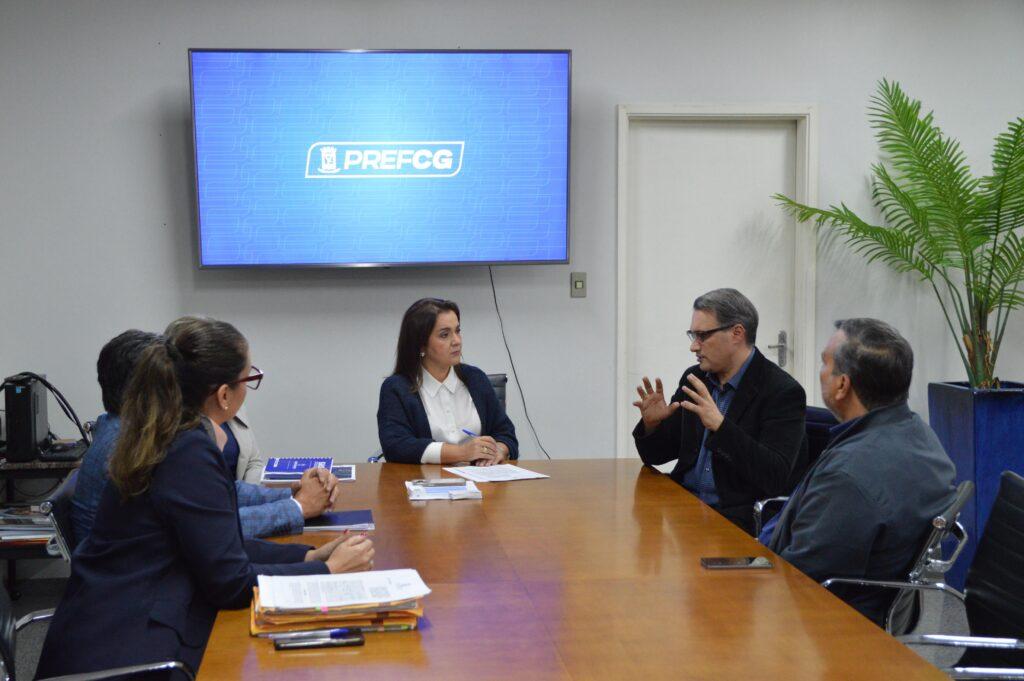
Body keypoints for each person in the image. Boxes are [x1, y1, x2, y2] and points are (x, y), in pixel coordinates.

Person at [37, 318, 374, 678]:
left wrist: (307, 554)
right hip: (132, 651)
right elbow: (230, 582)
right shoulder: (186, 450)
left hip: (116, 622)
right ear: (225, 395)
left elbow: (217, 542)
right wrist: (327, 571)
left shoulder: (168, 433)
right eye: (250, 379)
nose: (250, 389)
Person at [766, 318, 956, 626]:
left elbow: (796, 580)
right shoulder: (919, 432)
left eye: (824, 363)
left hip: (827, 623)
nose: (820, 372)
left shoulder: (848, 478)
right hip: (872, 603)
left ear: (842, 385)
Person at [71, 328, 334, 541]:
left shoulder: (129, 431)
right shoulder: (132, 448)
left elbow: (219, 496)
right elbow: (211, 527)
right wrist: (298, 507)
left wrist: (292, 492)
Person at [632, 288, 807, 533]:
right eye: (692, 335)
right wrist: (653, 426)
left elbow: (774, 476)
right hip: (682, 510)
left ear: (737, 333)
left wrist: (721, 427)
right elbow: (658, 456)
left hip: (734, 521)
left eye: (702, 336)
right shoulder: (695, 378)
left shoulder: (782, 392)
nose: (694, 346)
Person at [378, 298, 518, 464]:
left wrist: (499, 450)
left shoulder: (475, 378)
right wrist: (462, 452)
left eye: (457, 331)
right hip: (426, 484)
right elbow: (396, 446)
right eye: (445, 335)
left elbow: (506, 433)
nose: (457, 341)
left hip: (481, 484)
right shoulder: (396, 388)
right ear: (421, 345)